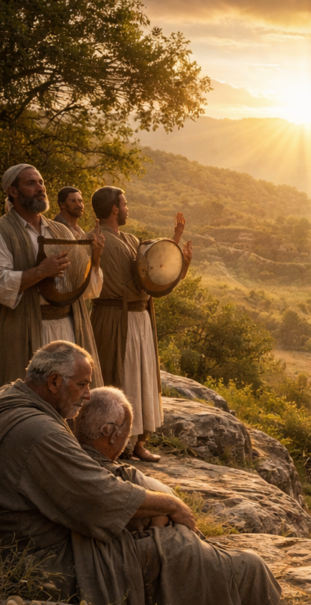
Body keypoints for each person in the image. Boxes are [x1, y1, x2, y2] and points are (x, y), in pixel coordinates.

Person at [0, 341, 299, 605]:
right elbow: (100, 498)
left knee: (166, 537)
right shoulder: (39, 431)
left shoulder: (6, 397)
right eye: (82, 385)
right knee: (177, 548)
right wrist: (171, 504)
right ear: (53, 381)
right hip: (44, 560)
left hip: (16, 543)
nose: (88, 395)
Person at [89, 186, 189, 462]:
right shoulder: (95, 239)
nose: (128, 208)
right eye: (125, 203)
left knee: (142, 377)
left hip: (140, 317)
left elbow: (152, 271)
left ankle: (138, 443)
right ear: (114, 209)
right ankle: (111, 442)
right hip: (113, 317)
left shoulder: (132, 239)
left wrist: (176, 242)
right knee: (119, 375)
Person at [0, 165, 105, 389]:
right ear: (13, 191)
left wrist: (95, 260)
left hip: (68, 328)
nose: (40, 188)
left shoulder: (61, 231)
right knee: (31, 399)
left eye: (41, 183)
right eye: (31, 183)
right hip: (27, 330)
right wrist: (41, 271)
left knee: (70, 395)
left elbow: (84, 289)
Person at [74, 386, 172, 531]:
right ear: (112, 434)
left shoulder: (61, 458)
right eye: (127, 434)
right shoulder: (132, 480)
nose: (126, 441)